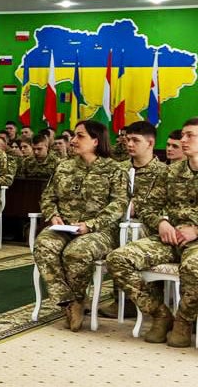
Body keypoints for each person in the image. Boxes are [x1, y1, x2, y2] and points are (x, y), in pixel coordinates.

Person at [108, 117, 198, 348]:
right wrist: (161, 223)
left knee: (197, 267)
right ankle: (159, 314)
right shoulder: (171, 172)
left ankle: (183, 322)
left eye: (190, 136)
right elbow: (148, 207)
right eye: (182, 135)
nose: (183, 140)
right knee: (118, 259)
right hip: (169, 238)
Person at [35, 120, 128, 331]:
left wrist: (91, 225)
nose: (74, 141)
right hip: (64, 227)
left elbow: (119, 204)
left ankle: (77, 299)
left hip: (99, 232)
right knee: (44, 245)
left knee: (76, 252)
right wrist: (53, 215)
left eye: (80, 136)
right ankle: (70, 301)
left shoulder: (114, 169)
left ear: (96, 141)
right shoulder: (64, 166)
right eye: (74, 136)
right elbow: (48, 196)